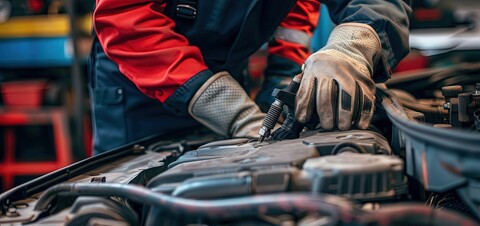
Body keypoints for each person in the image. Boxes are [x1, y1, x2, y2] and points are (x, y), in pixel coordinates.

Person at [89, 0, 411, 154]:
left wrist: (351, 47)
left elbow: (297, 9)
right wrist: (230, 108)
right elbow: (126, 17)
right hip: (139, 94)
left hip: (227, 74)